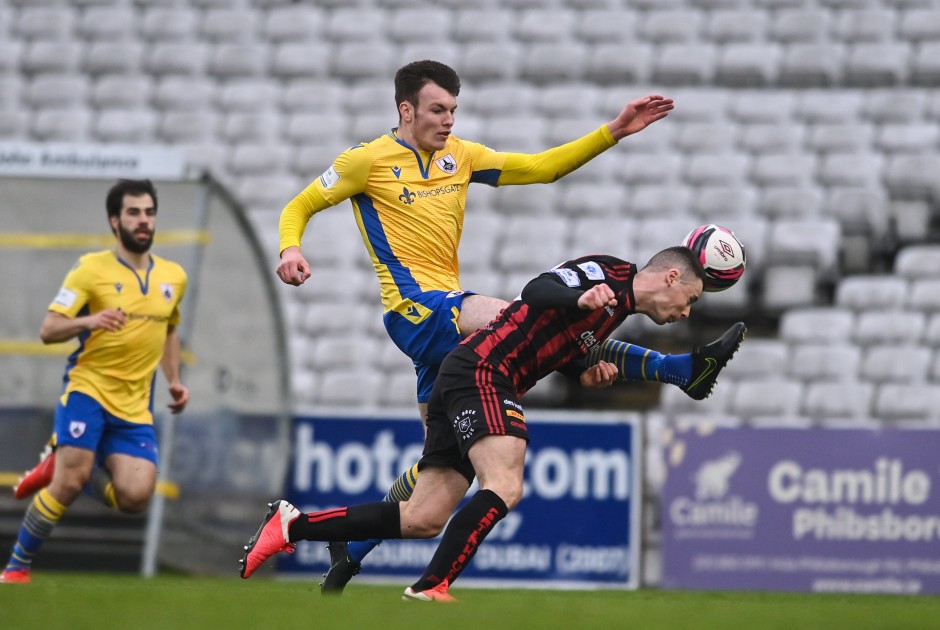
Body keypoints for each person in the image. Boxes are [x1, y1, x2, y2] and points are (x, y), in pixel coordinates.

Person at [275, 59, 718, 593]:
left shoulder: (461, 157)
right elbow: (300, 204)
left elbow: (540, 168)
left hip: (448, 335)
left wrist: (612, 132)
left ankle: (350, 547)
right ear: (406, 109)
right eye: (438, 110)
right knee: (524, 315)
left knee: (436, 472)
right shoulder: (366, 161)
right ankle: (671, 368)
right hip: (416, 309)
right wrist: (291, 248)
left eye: (454, 110)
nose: (449, 121)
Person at [240, 246, 746, 599]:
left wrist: (587, 368)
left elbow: (554, 341)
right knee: (504, 482)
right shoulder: (606, 275)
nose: (686, 311)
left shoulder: (614, 310)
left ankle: (292, 525)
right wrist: (579, 297)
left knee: (423, 516)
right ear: (672, 277)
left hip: (470, 375)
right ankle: (429, 588)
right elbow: (537, 289)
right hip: (483, 371)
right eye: (693, 299)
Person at [0, 179, 189, 584]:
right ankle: (16, 567)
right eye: (134, 212)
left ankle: (65, 464)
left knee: (136, 497)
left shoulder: (174, 276)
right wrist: (89, 319)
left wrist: (174, 380)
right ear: (114, 220)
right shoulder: (91, 269)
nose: (143, 220)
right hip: (88, 391)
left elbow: (170, 329)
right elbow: (49, 329)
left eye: (149, 212)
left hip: (135, 406)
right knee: (72, 479)